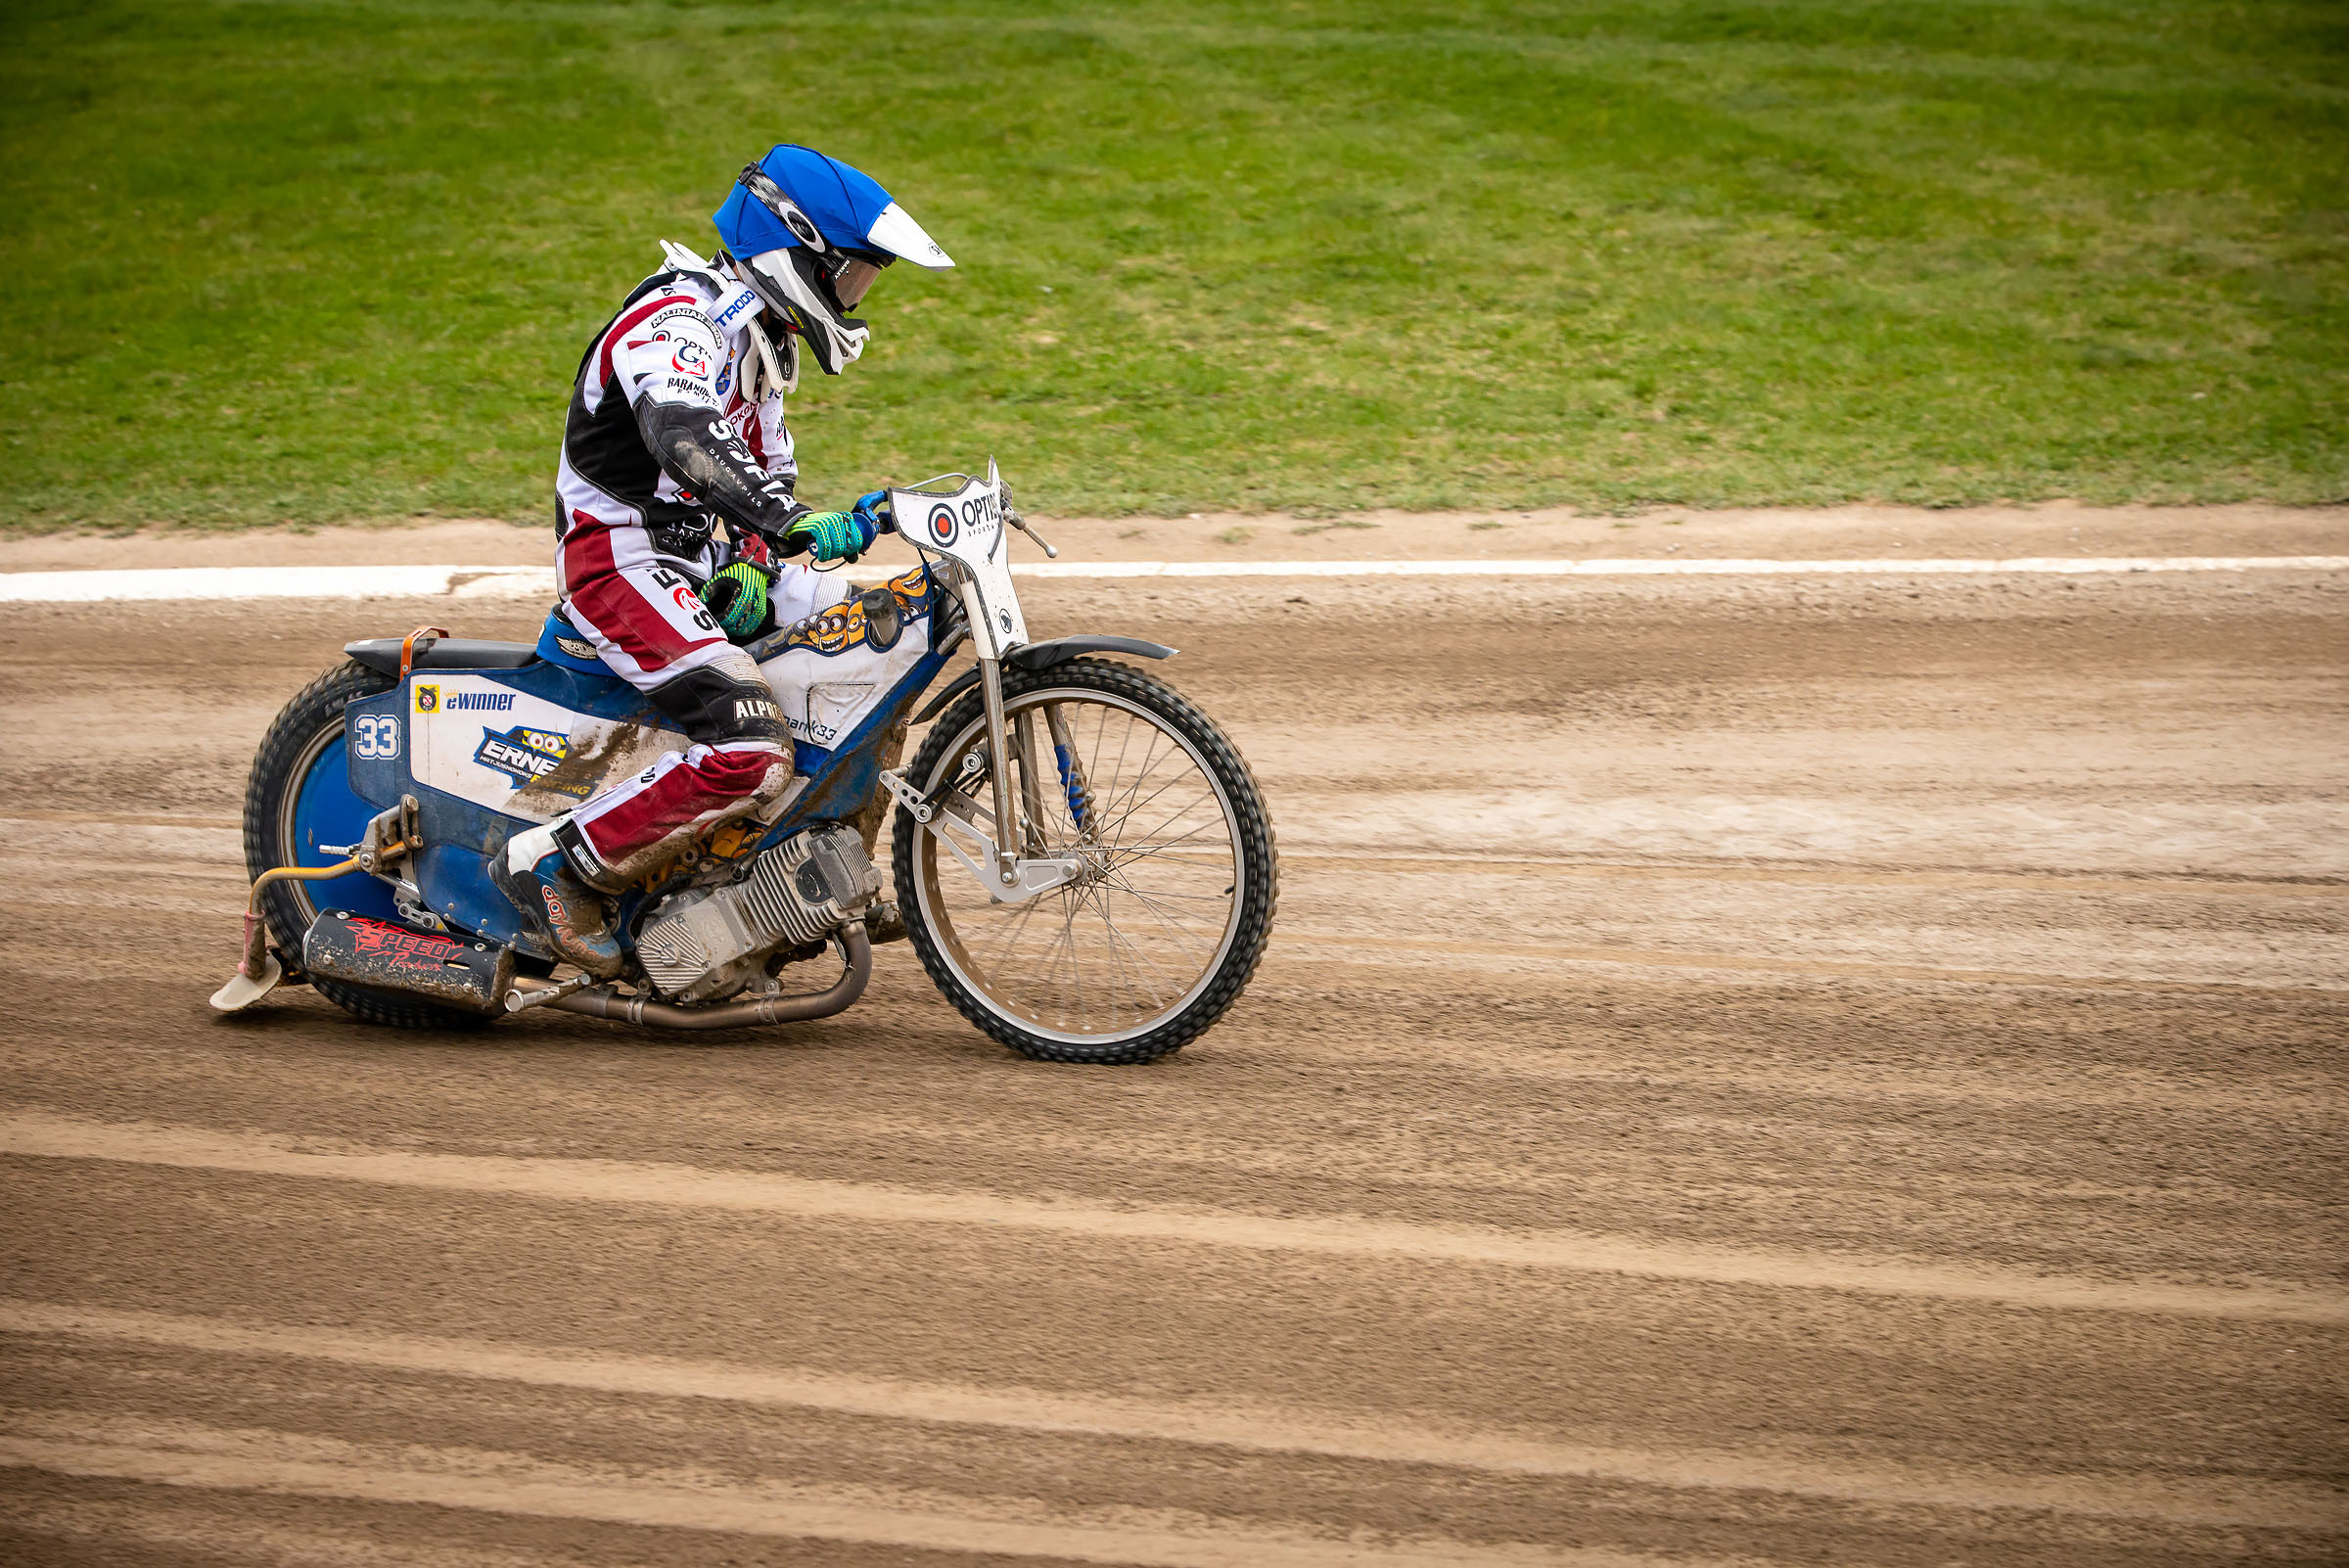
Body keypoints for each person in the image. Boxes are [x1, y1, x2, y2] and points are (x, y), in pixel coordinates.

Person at [495, 145, 955, 975]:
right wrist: (785, 525)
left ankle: (825, 850)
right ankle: (558, 866)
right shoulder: (676, 321)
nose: (856, 299)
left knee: (881, 642)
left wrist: (763, 553)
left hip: (697, 563)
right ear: (793, 246)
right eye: (850, 277)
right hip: (620, 562)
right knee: (750, 744)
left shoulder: (761, 352)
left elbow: (765, 482)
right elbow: (684, 436)